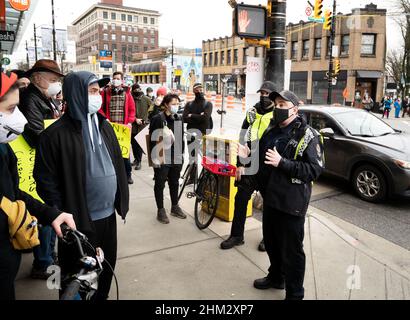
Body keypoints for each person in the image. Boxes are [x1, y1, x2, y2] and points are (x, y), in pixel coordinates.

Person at [33, 71, 130, 301]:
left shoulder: (105, 126)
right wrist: (60, 213)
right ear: (76, 93)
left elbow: (117, 162)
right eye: (93, 91)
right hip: (76, 223)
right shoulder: (54, 135)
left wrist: (121, 199)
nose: (98, 96)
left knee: (105, 270)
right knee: (75, 278)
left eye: (99, 91)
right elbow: (45, 181)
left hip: (108, 218)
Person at [0, 71, 75, 301]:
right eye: (11, 109)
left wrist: (49, 213)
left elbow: (12, 193)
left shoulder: (4, 149)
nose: (21, 120)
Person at [249, 90, 325, 300]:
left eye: (283, 105)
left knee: (292, 252)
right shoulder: (272, 129)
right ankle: (276, 277)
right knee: (272, 244)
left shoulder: (308, 135)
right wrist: (248, 156)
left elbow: (314, 170)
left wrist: (282, 163)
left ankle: (295, 293)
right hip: (271, 199)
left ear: (295, 109)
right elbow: (263, 157)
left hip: (292, 203)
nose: (279, 109)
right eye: (277, 105)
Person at [18, 59, 64, 279]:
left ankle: (47, 255)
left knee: (50, 209)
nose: (56, 84)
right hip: (38, 162)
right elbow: (37, 133)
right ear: (37, 77)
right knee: (46, 212)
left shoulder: (44, 98)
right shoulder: (30, 99)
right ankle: (43, 261)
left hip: (45, 161)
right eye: (53, 80)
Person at [220, 81, 276, 252]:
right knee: (241, 199)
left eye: (267, 94)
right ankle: (237, 236)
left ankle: (269, 239)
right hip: (249, 164)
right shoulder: (252, 111)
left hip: (267, 165)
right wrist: (239, 164)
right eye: (262, 93)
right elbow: (243, 136)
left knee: (270, 205)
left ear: (273, 95)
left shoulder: (276, 115)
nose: (263, 96)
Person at [149, 94, 186, 224]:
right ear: (165, 104)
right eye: (173, 103)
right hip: (162, 156)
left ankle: (174, 206)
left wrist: (181, 155)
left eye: (178, 103)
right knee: (160, 183)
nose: (176, 105)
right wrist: (155, 160)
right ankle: (161, 210)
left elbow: (180, 138)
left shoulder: (178, 118)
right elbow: (153, 141)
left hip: (176, 156)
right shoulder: (158, 119)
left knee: (174, 182)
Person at [100, 72, 136, 185]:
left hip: (123, 129)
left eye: (118, 78)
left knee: (125, 155)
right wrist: (105, 119)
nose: (116, 80)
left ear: (122, 80)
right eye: (114, 78)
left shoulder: (127, 94)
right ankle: (114, 175)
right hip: (110, 128)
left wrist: (130, 122)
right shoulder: (105, 93)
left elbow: (132, 110)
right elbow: (99, 108)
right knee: (111, 153)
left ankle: (128, 175)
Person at [131, 83, 152, 170]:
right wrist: (135, 119)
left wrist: (146, 119)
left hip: (143, 125)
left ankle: (139, 161)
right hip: (133, 124)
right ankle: (136, 159)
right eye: (135, 90)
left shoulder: (146, 99)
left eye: (138, 90)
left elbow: (152, 110)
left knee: (139, 144)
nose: (137, 92)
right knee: (133, 144)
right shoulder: (131, 98)